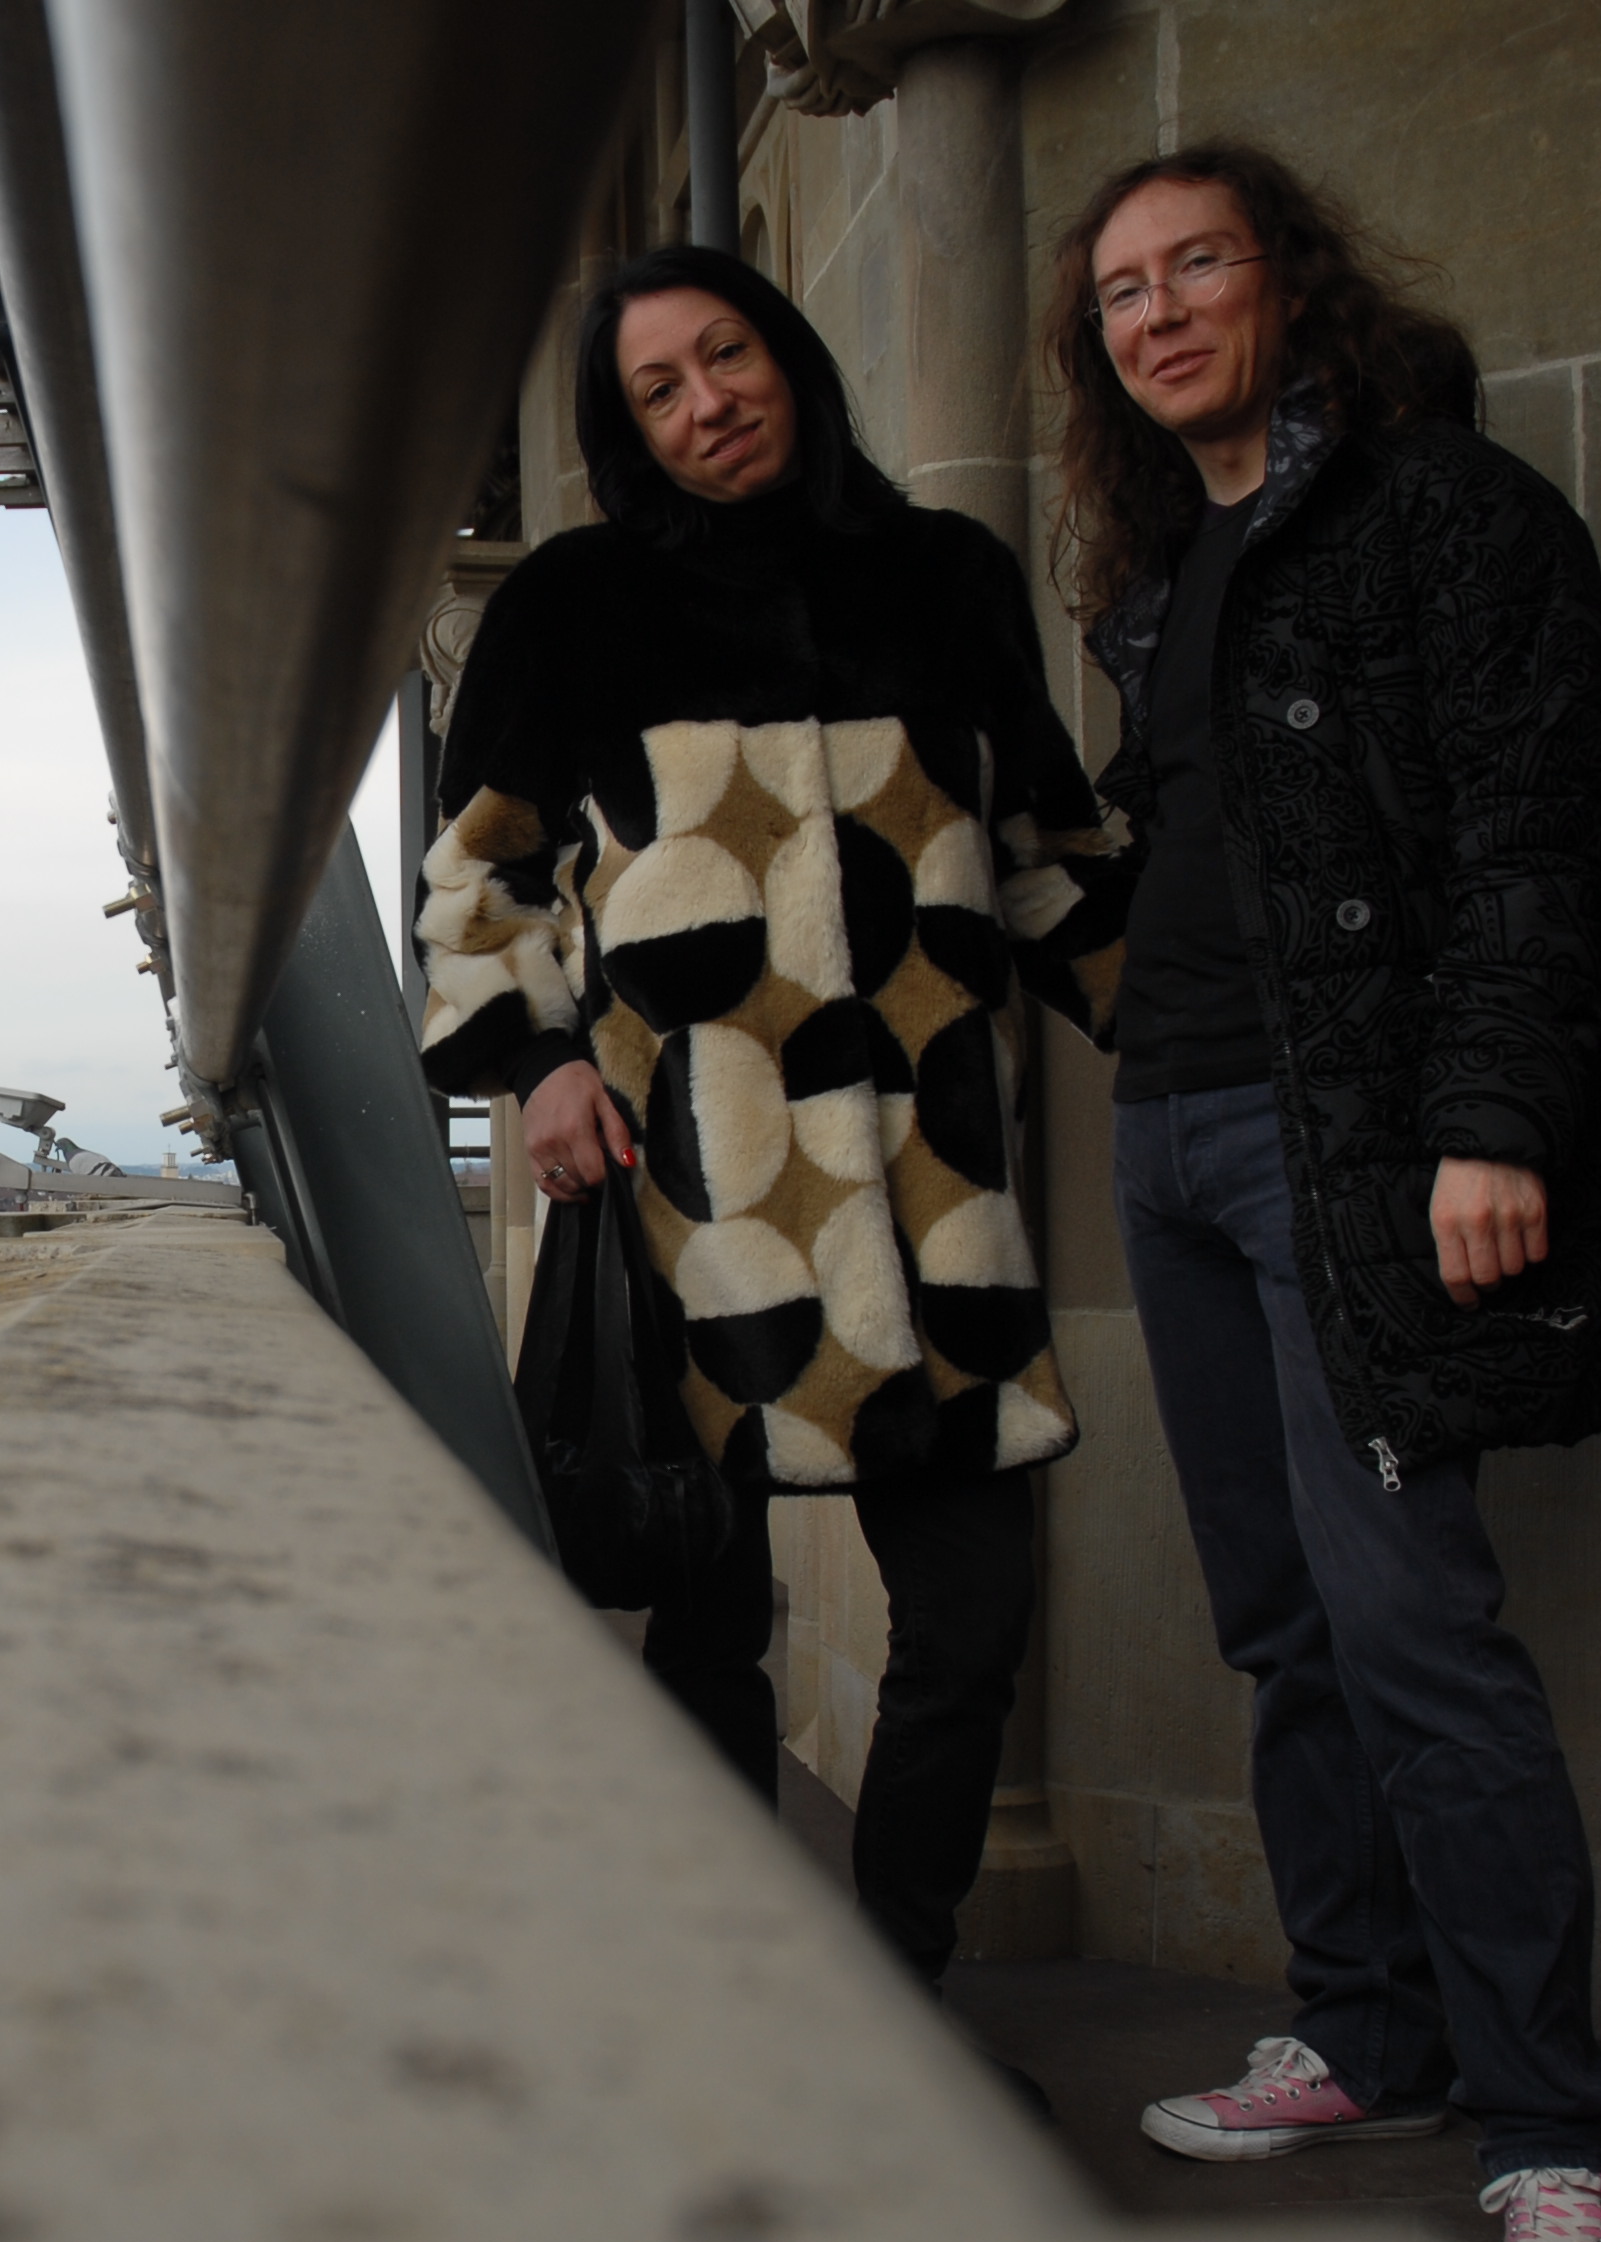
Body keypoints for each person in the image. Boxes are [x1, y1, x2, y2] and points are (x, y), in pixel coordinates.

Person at [1045, 143, 1601, 2242]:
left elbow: (1535, 839)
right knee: (1285, 1622)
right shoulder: (1156, 568)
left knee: (1414, 1626)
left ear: (1289, 282)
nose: (1157, 311)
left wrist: (1488, 1122)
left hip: (1365, 1144)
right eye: (1121, 290)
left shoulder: (1451, 514)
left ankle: (1555, 2135)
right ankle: (1369, 2032)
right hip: (1174, 1134)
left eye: (1196, 263)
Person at [413, 244, 1132, 1990]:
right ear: (625, 433)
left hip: (938, 1195)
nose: (705, 405)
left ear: (789, 357)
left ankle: (897, 1991)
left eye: (724, 356)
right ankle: (735, 2004)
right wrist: (541, 1062)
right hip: (699, 1196)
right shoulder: (572, 604)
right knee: (706, 1624)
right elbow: (474, 886)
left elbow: (1048, 859)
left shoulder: (949, 579)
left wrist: (1214, 1035)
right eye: (656, 390)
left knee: (970, 1627)